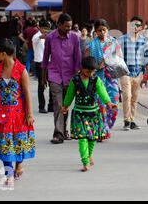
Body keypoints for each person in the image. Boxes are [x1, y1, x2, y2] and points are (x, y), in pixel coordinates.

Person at [0, 38, 35, 188]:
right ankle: (9, 174)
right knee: (5, 144)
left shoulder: (21, 69)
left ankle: (19, 163)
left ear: (4, 53)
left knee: (18, 142)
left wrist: (29, 114)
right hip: (2, 113)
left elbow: (26, 92)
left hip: (18, 113)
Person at [61, 56, 117, 172]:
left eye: (92, 71)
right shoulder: (75, 80)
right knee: (83, 138)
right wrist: (65, 105)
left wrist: (108, 103)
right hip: (79, 114)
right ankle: (85, 161)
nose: (90, 74)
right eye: (87, 71)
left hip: (93, 114)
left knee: (92, 138)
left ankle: (89, 155)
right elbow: (70, 94)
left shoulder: (96, 80)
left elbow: (102, 92)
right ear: (82, 68)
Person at [42, 13, 82, 144]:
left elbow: (78, 58)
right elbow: (45, 58)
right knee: (58, 104)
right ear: (59, 25)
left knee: (65, 105)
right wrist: (43, 77)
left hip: (70, 76)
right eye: (66, 26)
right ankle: (58, 134)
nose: (69, 29)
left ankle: (64, 130)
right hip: (54, 75)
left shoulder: (75, 38)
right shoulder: (50, 38)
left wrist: (78, 77)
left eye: (70, 26)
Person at [85, 19, 122, 139]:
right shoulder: (91, 45)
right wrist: (96, 66)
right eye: (99, 30)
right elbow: (86, 63)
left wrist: (108, 61)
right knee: (100, 105)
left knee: (114, 105)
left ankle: (107, 126)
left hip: (111, 78)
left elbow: (120, 60)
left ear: (108, 30)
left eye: (104, 30)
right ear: (95, 31)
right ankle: (102, 130)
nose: (102, 32)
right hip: (97, 78)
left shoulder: (114, 43)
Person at [118, 16, 148, 131]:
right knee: (127, 96)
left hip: (138, 72)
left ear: (141, 28)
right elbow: (116, 55)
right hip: (125, 72)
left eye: (137, 25)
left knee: (134, 98)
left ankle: (132, 120)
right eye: (133, 25)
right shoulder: (122, 39)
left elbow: (147, 57)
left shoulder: (144, 40)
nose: (135, 27)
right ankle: (126, 120)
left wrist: (147, 74)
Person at [32, 20, 53, 113]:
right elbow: (36, 39)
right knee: (41, 85)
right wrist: (42, 36)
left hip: (49, 62)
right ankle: (41, 106)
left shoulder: (50, 37)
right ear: (39, 28)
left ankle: (51, 106)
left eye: (47, 29)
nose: (45, 30)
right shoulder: (36, 36)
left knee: (52, 84)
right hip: (39, 63)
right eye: (44, 28)